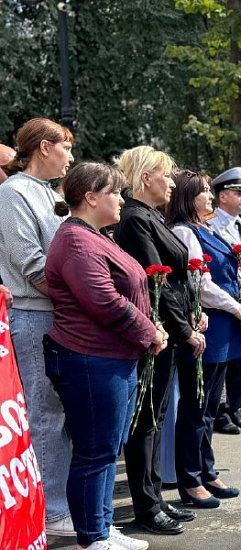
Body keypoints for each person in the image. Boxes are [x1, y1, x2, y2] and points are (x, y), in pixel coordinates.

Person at [44, 162, 167, 550]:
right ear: (90, 196)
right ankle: (92, 536)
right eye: (114, 191)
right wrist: (150, 332)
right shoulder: (77, 242)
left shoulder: (98, 236)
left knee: (106, 450)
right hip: (90, 359)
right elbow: (106, 303)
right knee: (95, 452)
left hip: (113, 359)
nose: (121, 199)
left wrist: (152, 327)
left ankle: (104, 527)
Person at [114, 146, 201, 535]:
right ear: (146, 177)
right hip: (157, 331)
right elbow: (155, 281)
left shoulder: (151, 216)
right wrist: (184, 329)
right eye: (166, 175)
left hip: (170, 328)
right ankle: (146, 506)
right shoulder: (134, 219)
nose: (171, 182)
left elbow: (175, 280)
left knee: (156, 417)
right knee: (146, 421)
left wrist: (193, 312)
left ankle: (155, 498)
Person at [0, 118, 75, 536]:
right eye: (65, 147)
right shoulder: (12, 194)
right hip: (34, 315)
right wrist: (80, 299)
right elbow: (31, 263)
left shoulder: (47, 193)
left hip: (55, 314)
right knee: (44, 415)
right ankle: (54, 512)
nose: (70, 157)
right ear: (45, 147)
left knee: (56, 413)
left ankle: (57, 505)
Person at [168, 170, 241, 507]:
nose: (210, 196)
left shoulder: (204, 229)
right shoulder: (184, 232)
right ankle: (190, 480)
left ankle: (207, 470)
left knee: (210, 406)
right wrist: (233, 305)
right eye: (203, 191)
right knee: (196, 407)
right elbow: (198, 282)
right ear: (188, 196)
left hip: (223, 325)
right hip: (209, 325)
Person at [208, 167, 241, 434]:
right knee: (225, 360)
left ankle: (235, 408)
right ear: (222, 196)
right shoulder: (210, 224)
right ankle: (220, 412)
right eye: (237, 193)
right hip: (224, 303)